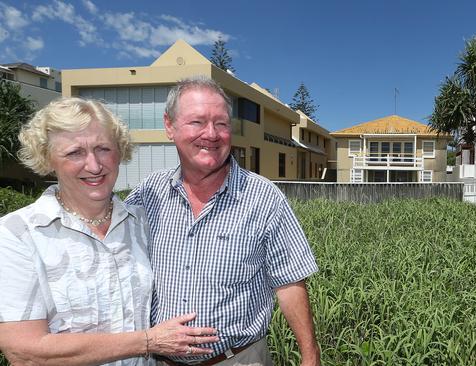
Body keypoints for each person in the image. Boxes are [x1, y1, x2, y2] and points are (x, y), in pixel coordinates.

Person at [0, 97, 218, 366]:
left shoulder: (142, 222)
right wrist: (149, 341)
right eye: (74, 153)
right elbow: (25, 352)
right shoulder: (18, 234)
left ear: (120, 151)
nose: (94, 165)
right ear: (47, 159)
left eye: (103, 149)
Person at [125, 76, 320, 366]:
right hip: (160, 360)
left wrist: (310, 357)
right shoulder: (148, 193)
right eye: (197, 122)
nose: (211, 134)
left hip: (238, 359)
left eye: (221, 123)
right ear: (169, 126)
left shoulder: (264, 197)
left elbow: (290, 284)